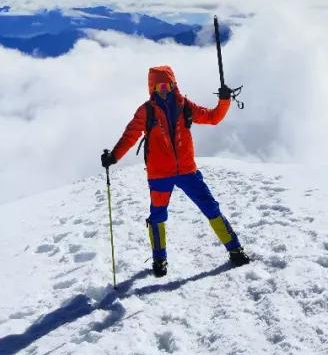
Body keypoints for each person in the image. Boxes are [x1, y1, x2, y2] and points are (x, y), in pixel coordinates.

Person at [102, 65, 250, 277]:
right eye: (159, 85)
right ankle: (159, 260)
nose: (164, 89)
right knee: (158, 215)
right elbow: (130, 135)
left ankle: (235, 249)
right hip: (160, 174)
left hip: (187, 171)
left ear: (174, 85)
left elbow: (212, 118)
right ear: (152, 87)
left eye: (167, 84)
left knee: (210, 207)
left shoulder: (184, 106)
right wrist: (114, 156)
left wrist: (224, 101)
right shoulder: (147, 111)